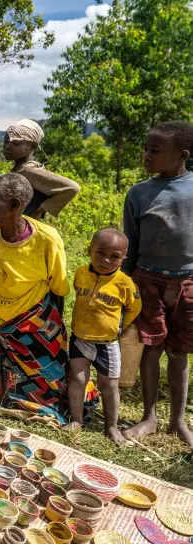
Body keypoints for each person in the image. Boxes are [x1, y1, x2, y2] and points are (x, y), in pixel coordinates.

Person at [0, 173, 72, 424]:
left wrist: (53, 337)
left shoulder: (46, 240)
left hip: (31, 321)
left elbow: (58, 290)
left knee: (48, 394)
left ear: (15, 206)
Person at [122, 121, 193, 447]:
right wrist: (124, 284)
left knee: (179, 352)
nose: (146, 155)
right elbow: (132, 244)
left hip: (188, 283)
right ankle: (149, 416)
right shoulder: (138, 193)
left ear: (182, 155)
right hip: (147, 280)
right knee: (152, 348)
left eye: (155, 150)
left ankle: (177, 421)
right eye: (145, 148)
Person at [67, 228, 141, 445]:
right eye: (100, 253)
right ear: (90, 249)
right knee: (78, 379)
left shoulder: (125, 283)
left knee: (108, 385)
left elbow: (134, 308)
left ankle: (111, 427)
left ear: (123, 258)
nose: (106, 260)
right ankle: (77, 420)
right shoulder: (81, 273)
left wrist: (121, 327)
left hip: (107, 343)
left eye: (114, 256)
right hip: (80, 337)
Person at [4, 119, 80, 219]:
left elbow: (73, 188)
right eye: (6, 141)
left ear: (32, 147)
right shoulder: (20, 169)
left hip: (25, 230)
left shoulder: (29, 171)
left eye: (15, 144)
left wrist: (37, 211)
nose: (7, 146)